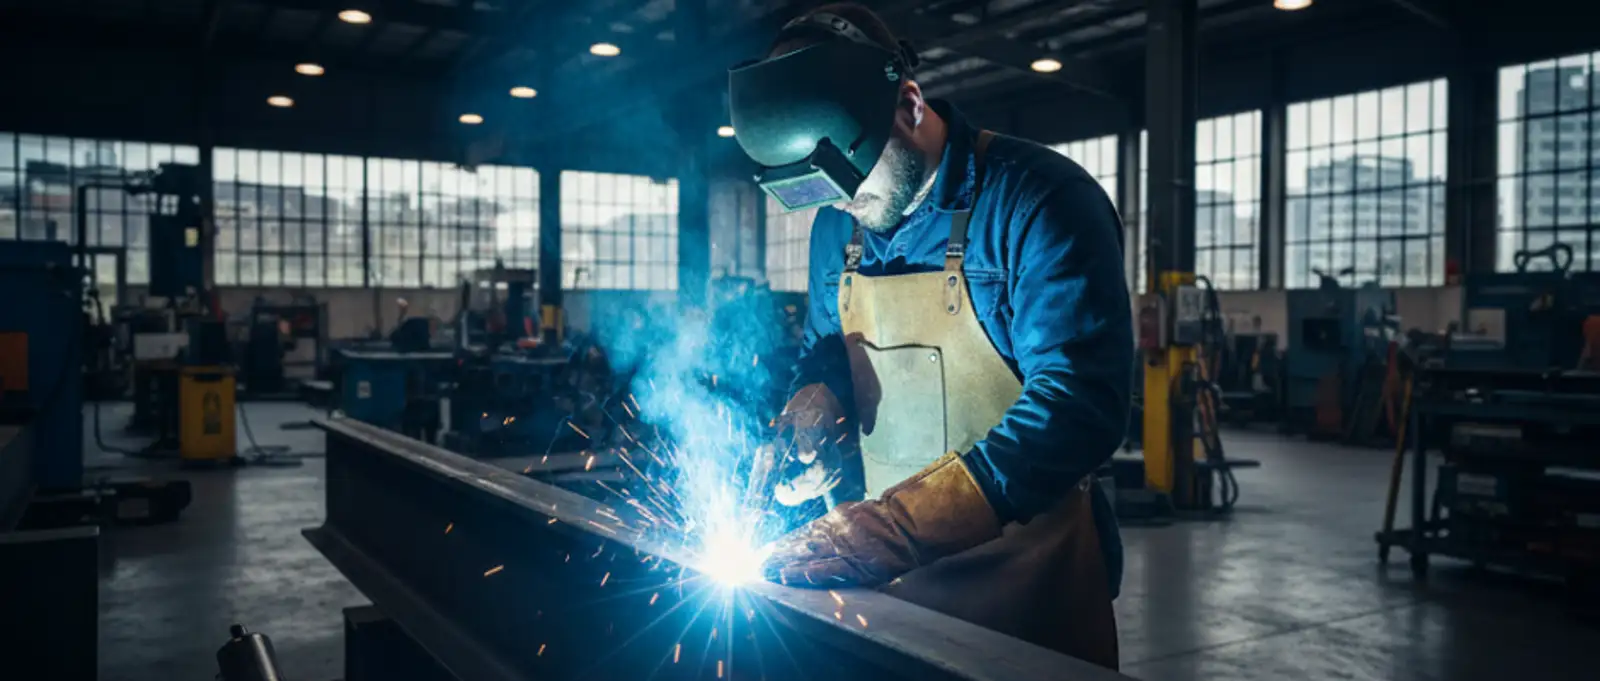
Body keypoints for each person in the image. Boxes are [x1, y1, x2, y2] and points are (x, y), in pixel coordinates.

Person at [728, 3, 1132, 670]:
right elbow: (829, 343)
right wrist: (817, 399)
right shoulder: (837, 225)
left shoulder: (1040, 201)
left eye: (853, 186)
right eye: (825, 196)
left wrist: (899, 525)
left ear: (909, 104)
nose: (841, 208)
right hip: (887, 598)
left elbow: (1079, 405)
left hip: (1029, 604)